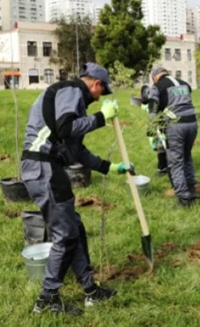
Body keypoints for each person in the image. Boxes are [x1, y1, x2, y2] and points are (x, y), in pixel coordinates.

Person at [21, 63, 134, 315]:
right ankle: (46, 300)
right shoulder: (70, 90)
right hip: (44, 168)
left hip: (46, 168)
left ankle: (90, 291)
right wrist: (101, 118)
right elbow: (65, 128)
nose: (99, 99)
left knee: (74, 228)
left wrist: (109, 167)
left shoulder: (73, 102)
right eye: (101, 92)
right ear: (96, 84)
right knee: (66, 235)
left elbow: (76, 150)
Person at [146, 67, 199, 207]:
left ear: (155, 77)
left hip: (176, 126)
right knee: (187, 157)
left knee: (176, 162)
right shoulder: (184, 83)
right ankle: (192, 190)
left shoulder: (157, 87)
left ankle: (184, 198)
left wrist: (151, 129)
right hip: (192, 123)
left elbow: (152, 109)